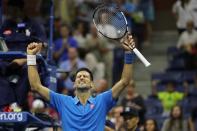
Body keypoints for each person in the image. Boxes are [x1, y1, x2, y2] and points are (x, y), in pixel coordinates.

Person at [26, 33, 135, 130]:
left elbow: (125, 81)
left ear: (92, 84)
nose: (82, 77)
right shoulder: (63, 101)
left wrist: (128, 53)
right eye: (79, 77)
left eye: (85, 76)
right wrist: (31, 56)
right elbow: (35, 86)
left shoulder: (102, 100)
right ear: (74, 84)